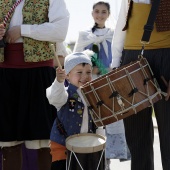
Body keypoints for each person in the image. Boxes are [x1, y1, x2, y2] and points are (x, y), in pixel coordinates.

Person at [0, 0, 69, 170]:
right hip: (5, 74)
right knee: (8, 140)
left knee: (43, 140)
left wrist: (23, 30)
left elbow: (60, 30)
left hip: (38, 74)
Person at [111, 0, 170, 170]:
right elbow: (121, 26)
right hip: (131, 59)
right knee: (136, 138)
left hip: (166, 59)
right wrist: (115, 66)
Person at [73, 1, 130, 170]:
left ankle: (107, 160)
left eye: (103, 12)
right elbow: (76, 57)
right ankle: (93, 158)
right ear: (92, 13)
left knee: (110, 118)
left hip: (109, 83)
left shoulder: (114, 34)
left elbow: (119, 53)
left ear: (108, 14)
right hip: (90, 83)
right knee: (92, 121)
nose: (100, 15)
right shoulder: (84, 35)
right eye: (97, 11)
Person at [46, 50, 105, 170]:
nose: (85, 76)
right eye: (79, 72)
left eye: (88, 72)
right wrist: (59, 81)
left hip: (87, 145)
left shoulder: (93, 95)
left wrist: (100, 142)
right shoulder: (65, 93)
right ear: (67, 75)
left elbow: (99, 121)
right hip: (62, 145)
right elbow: (54, 97)